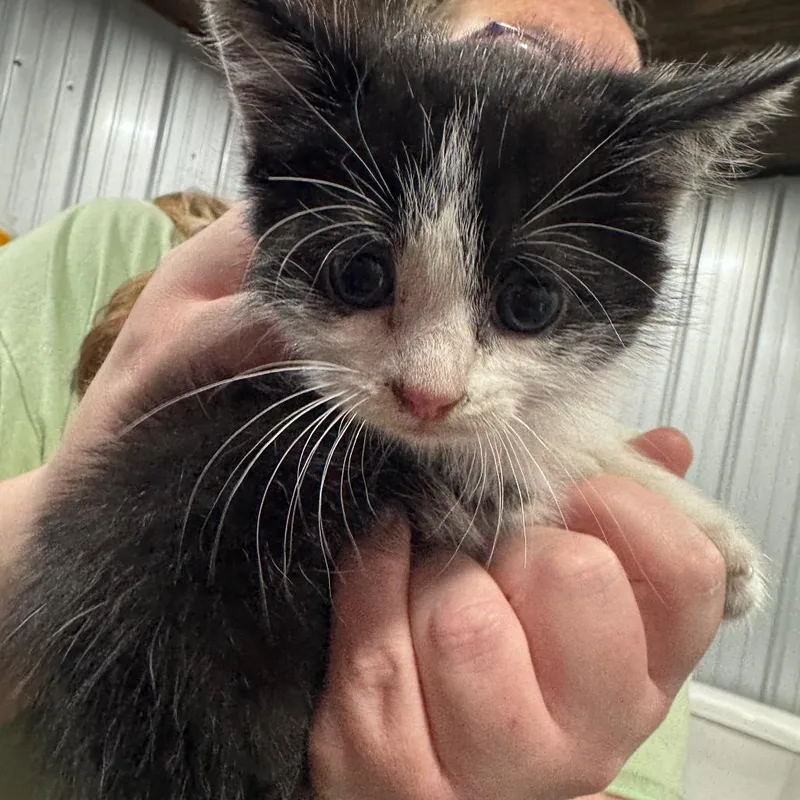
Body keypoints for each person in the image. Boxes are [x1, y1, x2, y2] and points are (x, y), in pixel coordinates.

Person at [0, 2, 727, 799]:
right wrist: (71, 479)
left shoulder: (612, 526)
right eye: (361, 276)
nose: (431, 389)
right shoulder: (103, 251)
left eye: (527, 303)